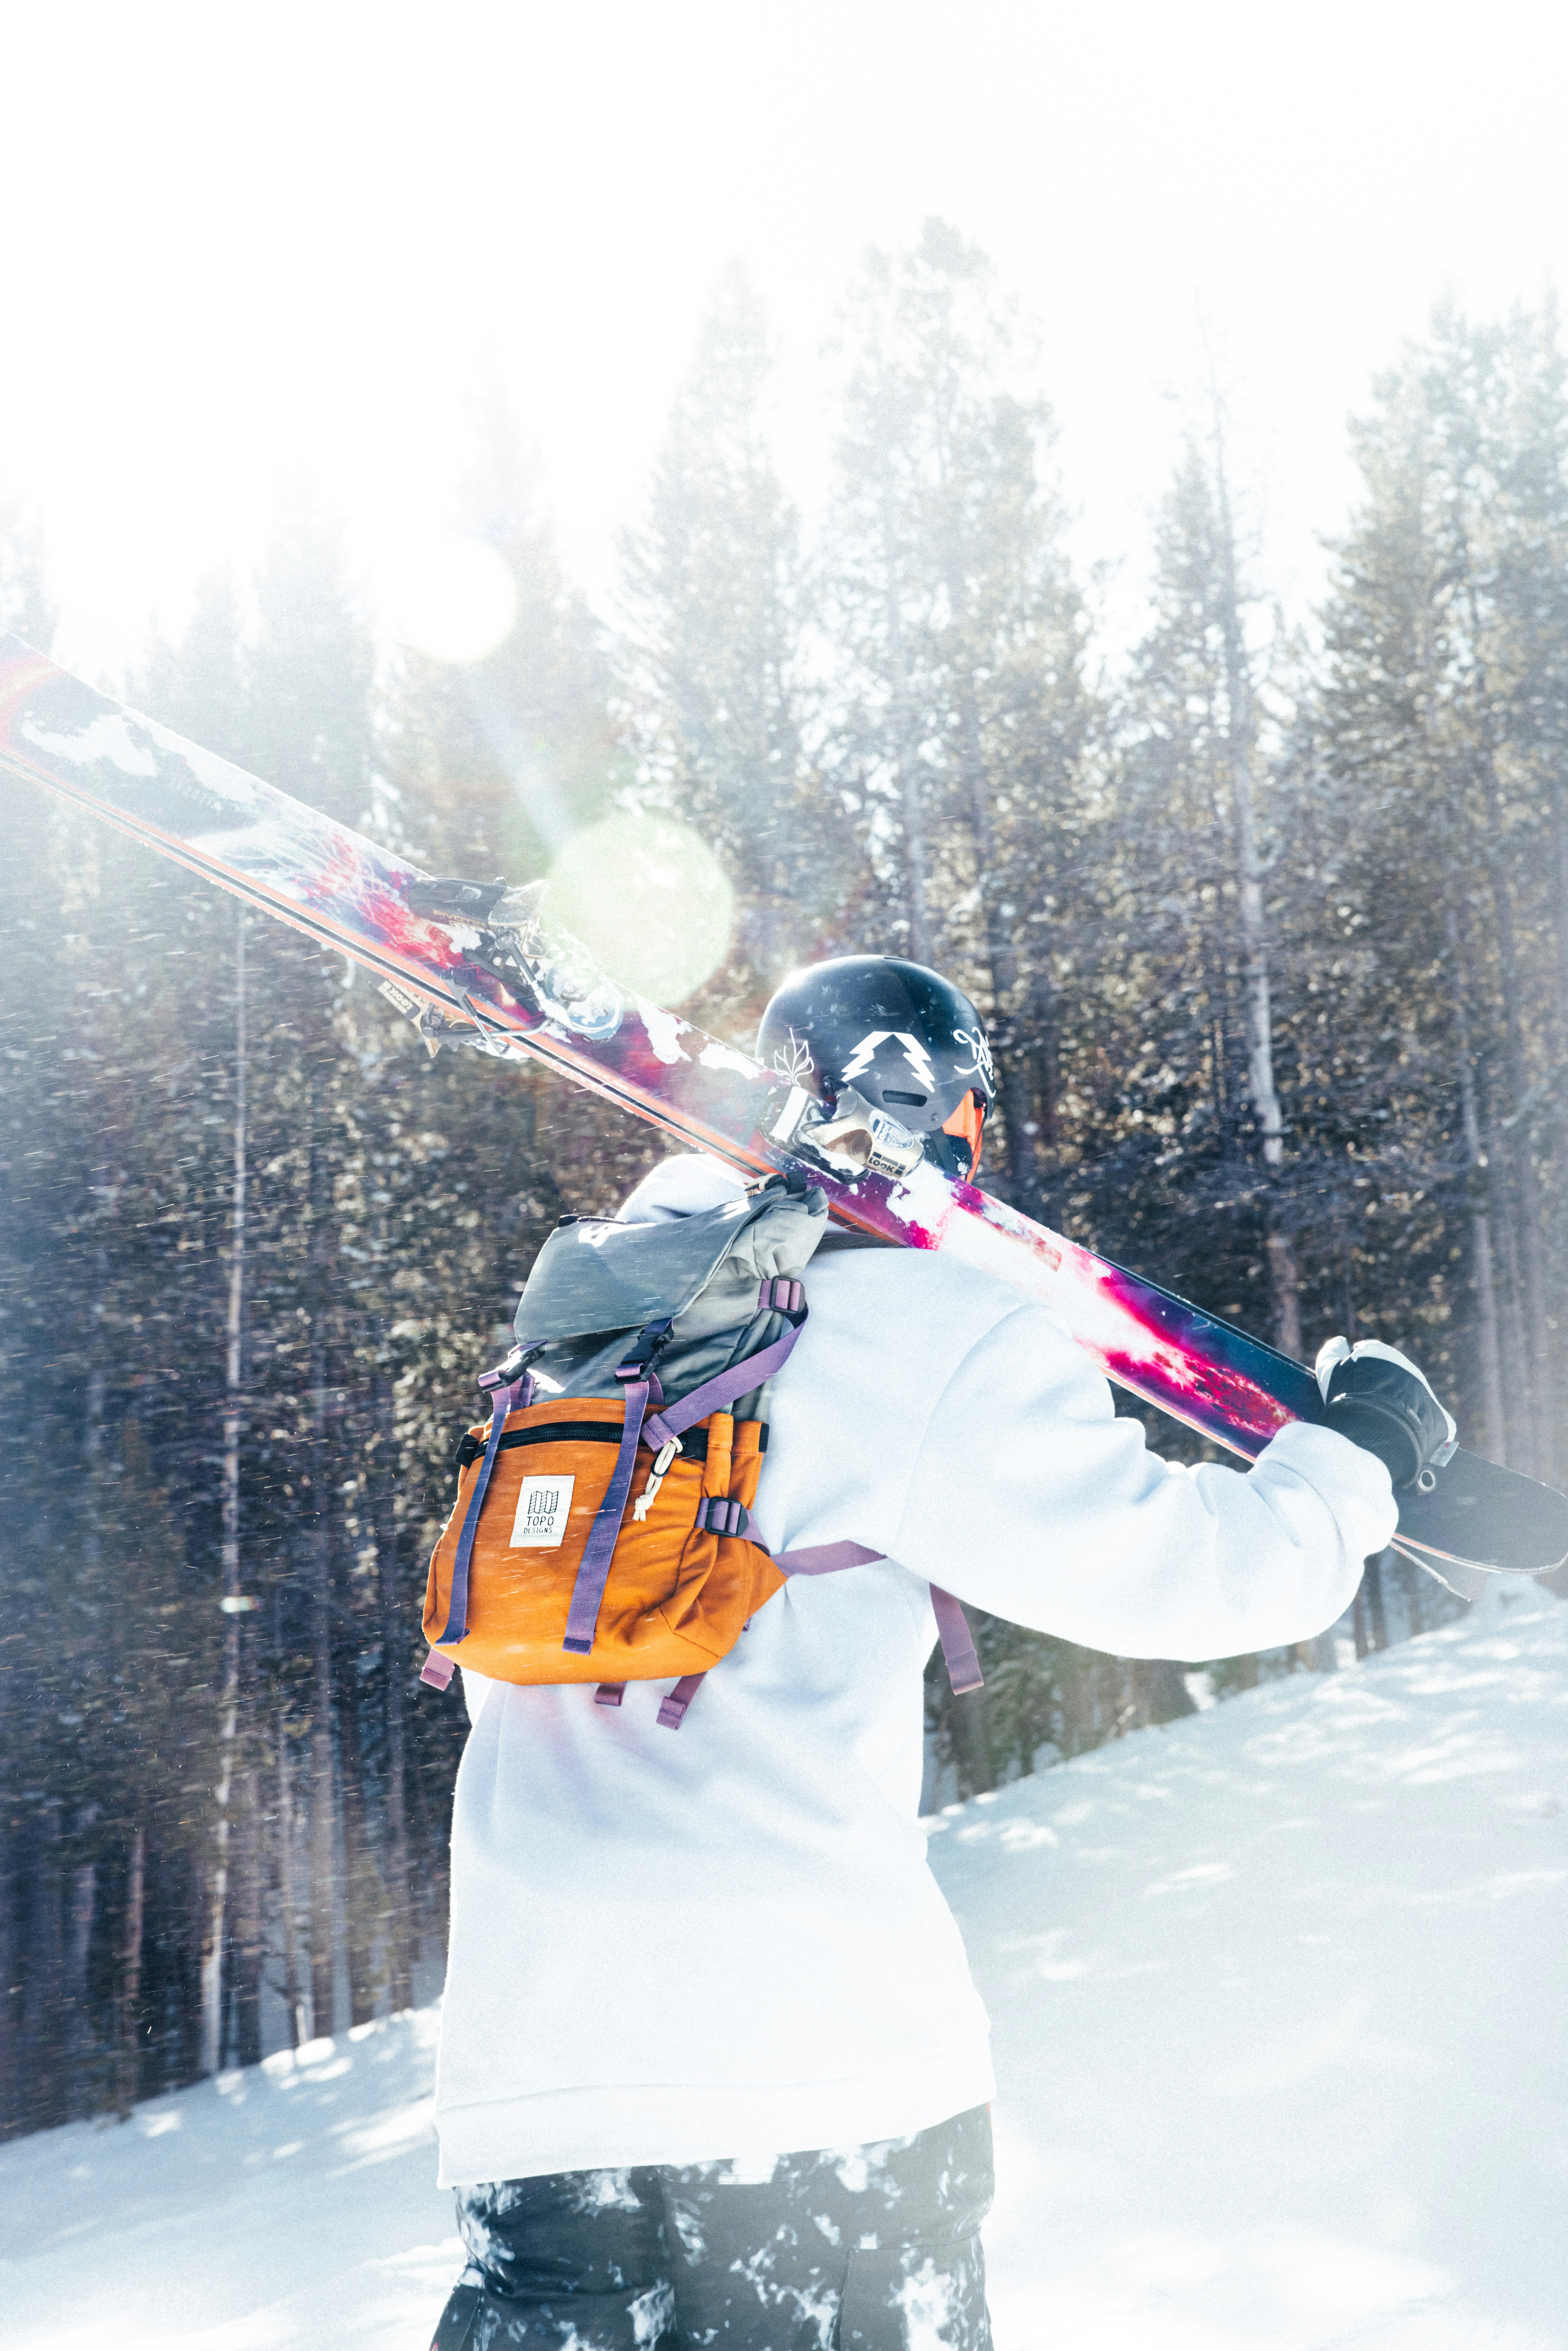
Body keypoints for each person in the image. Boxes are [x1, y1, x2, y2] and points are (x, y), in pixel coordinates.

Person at [428, 957, 1451, 2351]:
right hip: (816, 2081)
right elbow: (1206, 1575)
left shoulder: (581, 1326)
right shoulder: (923, 1330)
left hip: (533, 2085)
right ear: (942, 1113)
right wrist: (1360, 1456)